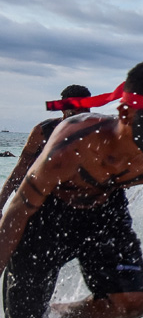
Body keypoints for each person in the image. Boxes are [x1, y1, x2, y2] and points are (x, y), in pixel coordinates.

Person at [0, 62, 143, 318]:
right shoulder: (70, 144)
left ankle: (61, 316)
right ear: (127, 115)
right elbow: (20, 208)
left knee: (132, 302)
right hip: (47, 218)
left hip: (105, 214)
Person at [0, 85, 92, 220]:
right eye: (74, 111)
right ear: (63, 109)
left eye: (85, 110)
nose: (80, 116)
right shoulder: (43, 132)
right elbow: (20, 170)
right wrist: (1, 205)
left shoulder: (96, 132)